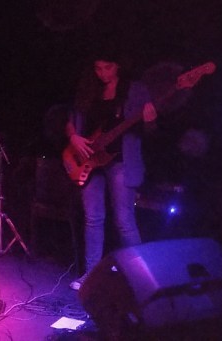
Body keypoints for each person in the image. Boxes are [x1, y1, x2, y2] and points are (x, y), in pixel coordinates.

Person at [65, 53, 157, 290]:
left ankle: (143, 276)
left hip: (121, 159)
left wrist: (150, 120)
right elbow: (71, 119)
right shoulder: (89, 88)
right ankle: (91, 275)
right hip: (90, 159)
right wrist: (74, 137)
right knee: (93, 218)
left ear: (118, 65)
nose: (103, 73)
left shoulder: (135, 90)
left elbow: (150, 132)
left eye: (108, 67)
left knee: (124, 219)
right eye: (98, 68)